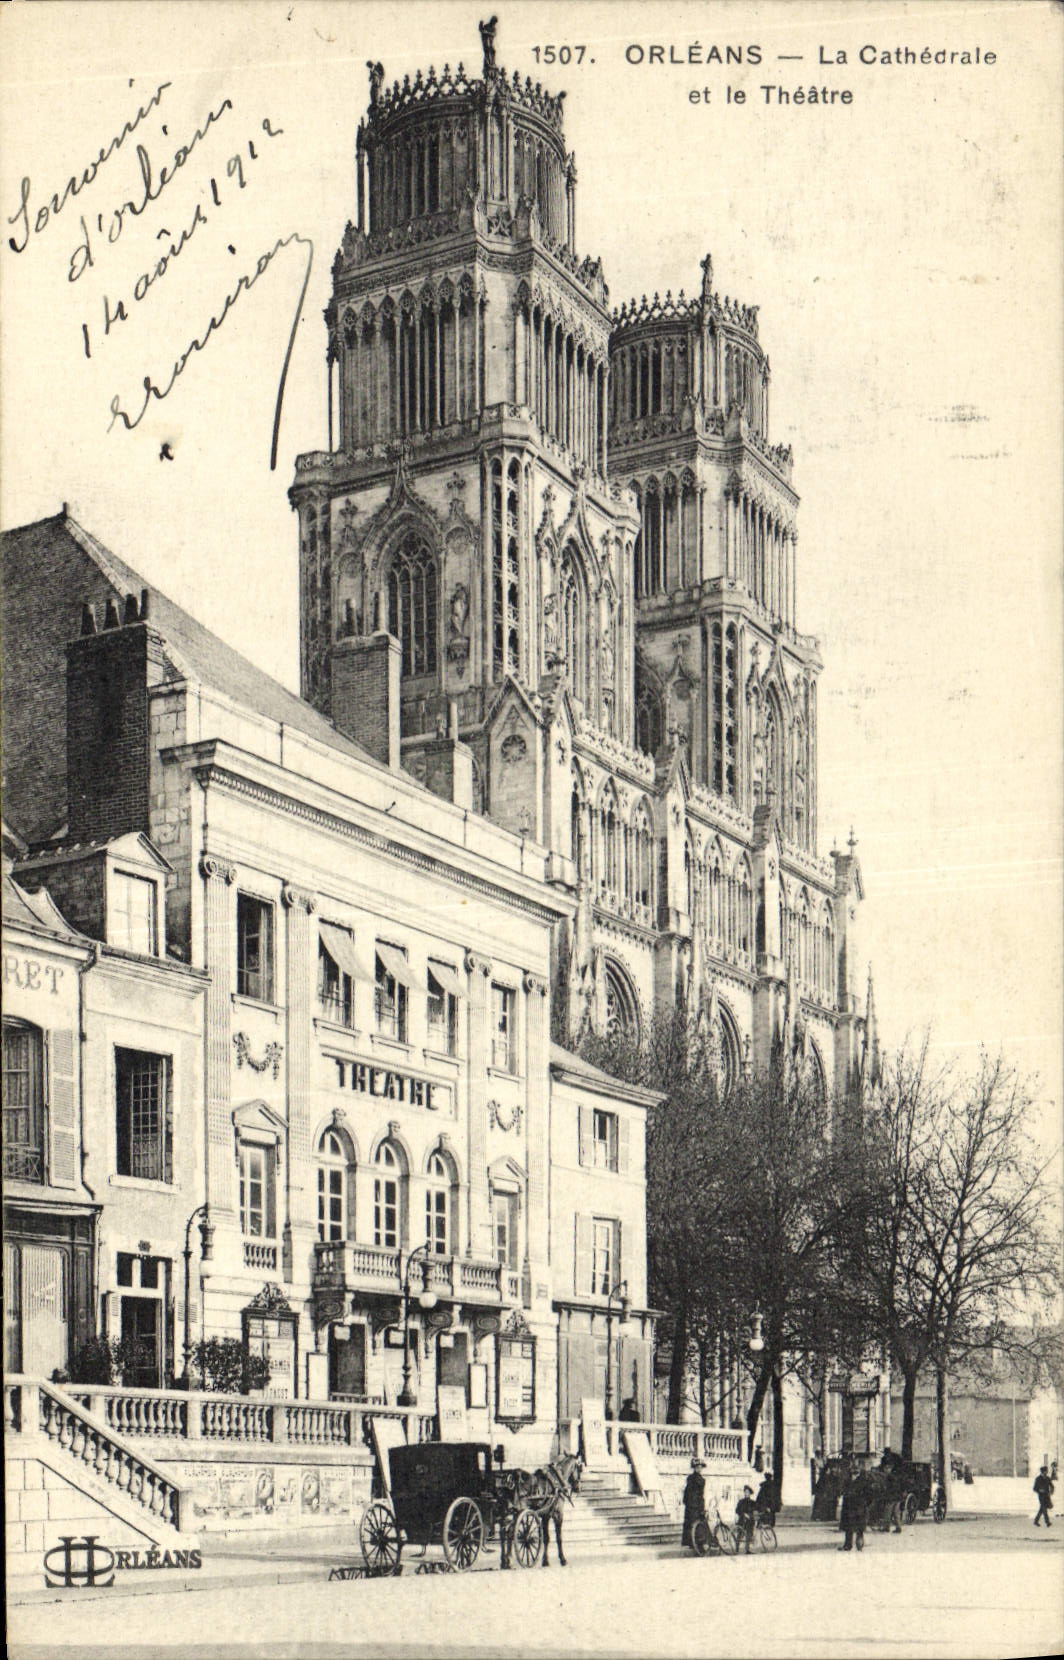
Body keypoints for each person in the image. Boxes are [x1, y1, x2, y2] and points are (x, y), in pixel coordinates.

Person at [838, 1464, 869, 1552]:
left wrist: (864, 1502)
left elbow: (868, 1494)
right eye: (853, 1472)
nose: (854, 1474)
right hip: (848, 1506)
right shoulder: (848, 1480)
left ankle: (859, 1545)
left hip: (859, 1507)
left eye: (856, 1472)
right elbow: (843, 1489)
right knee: (848, 1527)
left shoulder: (864, 1480)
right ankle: (848, 1545)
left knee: (859, 1527)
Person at [682, 1458, 706, 1550]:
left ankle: (698, 1543)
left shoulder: (702, 1480)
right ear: (694, 1468)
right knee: (692, 1523)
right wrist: (687, 1501)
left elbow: (701, 1494)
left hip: (696, 1504)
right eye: (697, 1467)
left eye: (700, 1467)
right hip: (692, 1504)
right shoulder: (691, 1478)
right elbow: (687, 1491)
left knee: (697, 1523)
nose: (699, 1469)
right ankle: (694, 1543)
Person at [735, 1485, 757, 1554]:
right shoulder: (741, 1501)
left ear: (750, 1494)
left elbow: (757, 1509)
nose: (746, 1493)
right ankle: (736, 1549)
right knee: (740, 1534)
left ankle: (747, 1549)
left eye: (748, 1492)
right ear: (744, 1493)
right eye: (745, 1492)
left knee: (749, 1534)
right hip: (742, 1520)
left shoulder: (752, 1502)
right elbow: (737, 1510)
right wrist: (743, 1514)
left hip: (750, 1521)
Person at [1033, 1463, 1054, 1528]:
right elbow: (1034, 1488)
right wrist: (1039, 1490)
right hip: (1041, 1496)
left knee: (1046, 1507)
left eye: (1046, 1472)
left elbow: (1052, 1486)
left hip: (1047, 1495)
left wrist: (1051, 1492)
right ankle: (1047, 1522)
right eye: (1045, 1472)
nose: (1046, 1473)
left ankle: (1036, 1520)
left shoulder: (1048, 1478)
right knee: (1044, 1509)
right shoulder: (1038, 1479)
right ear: (1042, 1472)